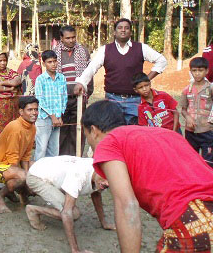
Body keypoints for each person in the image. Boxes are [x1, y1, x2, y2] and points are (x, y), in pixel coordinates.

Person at [83, 100, 213, 252]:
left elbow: (127, 206)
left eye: (87, 137)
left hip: (195, 219)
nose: (91, 144)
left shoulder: (110, 142)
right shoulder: (167, 134)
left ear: (93, 130)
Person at [74, 18, 167, 124]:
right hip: (112, 99)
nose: (123, 30)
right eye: (120, 28)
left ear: (131, 32)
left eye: (126, 28)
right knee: (113, 132)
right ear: (114, 32)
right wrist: (81, 82)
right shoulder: (105, 50)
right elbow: (92, 68)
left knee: (133, 134)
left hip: (135, 100)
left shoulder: (141, 48)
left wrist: (145, 80)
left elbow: (161, 61)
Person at [25, 155, 114, 253]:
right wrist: (75, 250)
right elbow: (66, 213)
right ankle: (33, 210)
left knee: (70, 209)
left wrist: (104, 223)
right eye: (104, 178)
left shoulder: (101, 175)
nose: (107, 184)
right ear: (96, 170)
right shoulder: (80, 175)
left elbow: (96, 195)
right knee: (74, 214)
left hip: (49, 171)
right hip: (36, 177)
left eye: (109, 180)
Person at [0, 96, 38, 213]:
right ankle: (0, 196)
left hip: (9, 164)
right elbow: (12, 157)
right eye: (30, 110)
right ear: (21, 112)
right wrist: (26, 180)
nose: (34, 113)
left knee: (36, 170)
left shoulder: (32, 128)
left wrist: (29, 177)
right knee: (22, 177)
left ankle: (19, 193)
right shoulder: (15, 127)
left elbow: (26, 154)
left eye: (36, 109)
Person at [53, 25, 93, 156]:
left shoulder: (83, 51)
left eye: (73, 37)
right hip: (60, 99)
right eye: (68, 38)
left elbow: (89, 73)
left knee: (78, 130)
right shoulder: (54, 53)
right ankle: (62, 160)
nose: (71, 40)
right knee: (62, 131)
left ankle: (76, 159)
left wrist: (87, 92)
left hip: (79, 99)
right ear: (61, 38)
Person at [34, 50, 68, 160]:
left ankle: (50, 175)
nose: (53, 64)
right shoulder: (40, 79)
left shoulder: (61, 78)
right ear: (44, 63)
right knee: (42, 148)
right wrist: (52, 116)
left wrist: (60, 116)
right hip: (44, 118)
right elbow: (40, 99)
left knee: (54, 149)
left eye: (55, 61)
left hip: (57, 118)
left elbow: (64, 98)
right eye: (49, 62)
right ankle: (36, 174)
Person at [180, 57, 213, 167]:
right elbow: (183, 109)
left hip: (207, 131)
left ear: (207, 71)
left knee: (208, 162)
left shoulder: (210, 88)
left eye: (200, 70)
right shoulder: (186, 90)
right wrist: (188, 118)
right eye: (194, 71)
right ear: (191, 72)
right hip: (191, 132)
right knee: (191, 161)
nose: (197, 74)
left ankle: (208, 183)